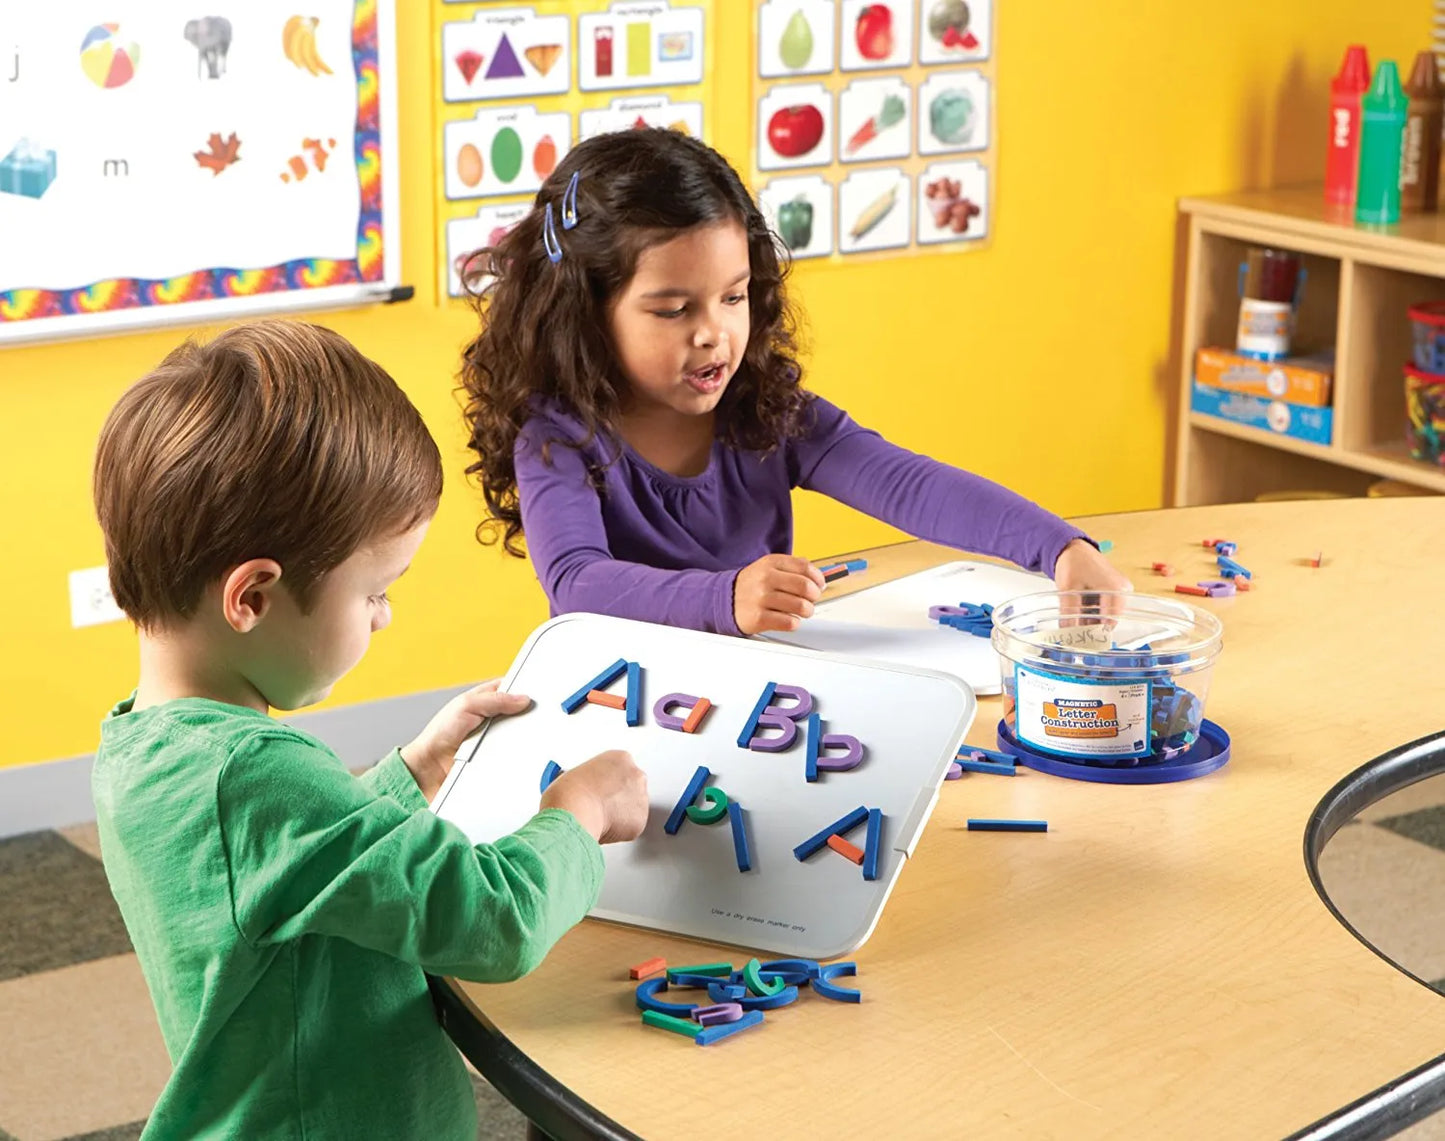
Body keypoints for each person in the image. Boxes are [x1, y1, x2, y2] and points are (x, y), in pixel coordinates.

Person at [90, 320, 647, 1140]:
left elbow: (288, 871)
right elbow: (495, 922)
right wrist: (579, 812)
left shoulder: (144, 743)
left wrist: (413, 768)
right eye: (375, 591)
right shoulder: (255, 774)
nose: (385, 617)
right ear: (252, 597)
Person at [459, 129, 1129, 637]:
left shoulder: (764, 410)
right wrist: (724, 597)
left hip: (760, 692)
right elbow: (577, 582)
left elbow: (906, 482)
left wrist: (1058, 547)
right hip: (619, 700)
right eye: (674, 309)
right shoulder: (558, 437)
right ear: (584, 312)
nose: (714, 333)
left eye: (733, 297)